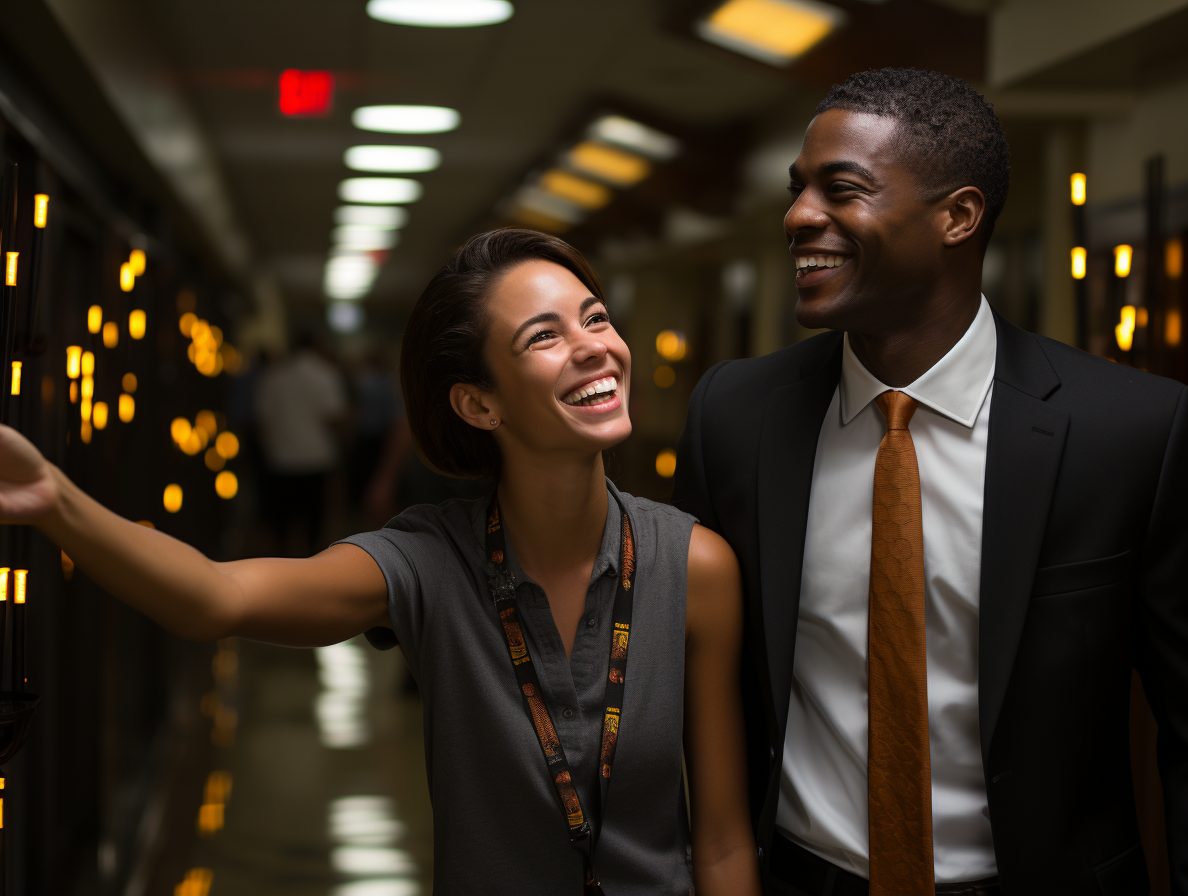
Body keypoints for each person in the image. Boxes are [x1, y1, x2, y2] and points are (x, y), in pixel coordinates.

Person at [0, 229, 760, 895]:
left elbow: (721, 840)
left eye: (595, 318)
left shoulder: (693, 566)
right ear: (478, 404)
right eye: (544, 336)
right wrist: (53, 499)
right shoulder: (427, 562)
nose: (596, 344)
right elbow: (216, 597)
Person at [672, 68, 1188, 896]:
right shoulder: (735, 418)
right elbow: (698, 692)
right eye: (798, 189)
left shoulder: (1133, 435)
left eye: (840, 189)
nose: (799, 216)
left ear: (958, 216)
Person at [254, 330, 350, 555]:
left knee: (282, 518)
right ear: (316, 348)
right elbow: (335, 418)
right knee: (313, 517)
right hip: (317, 456)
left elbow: (262, 421)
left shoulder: (273, 376)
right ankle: (312, 563)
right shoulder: (326, 374)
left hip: (281, 457)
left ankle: (281, 565)